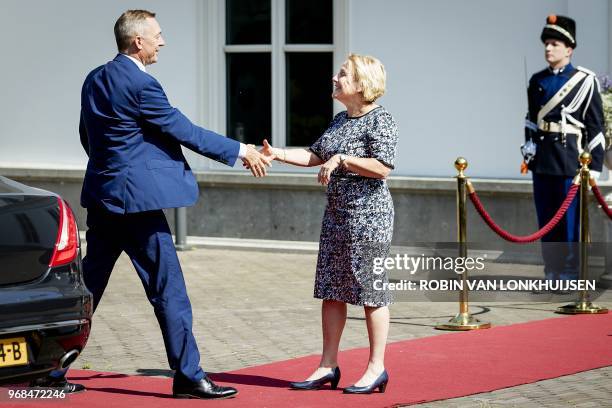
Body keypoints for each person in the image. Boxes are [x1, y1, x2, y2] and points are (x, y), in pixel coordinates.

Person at [31, 9, 271, 399]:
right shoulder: (143, 86)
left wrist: (115, 169)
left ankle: (48, 370)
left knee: (86, 287)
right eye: (157, 35)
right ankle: (189, 376)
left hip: (104, 198)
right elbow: (184, 130)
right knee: (169, 290)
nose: (163, 41)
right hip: (138, 206)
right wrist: (242, 150)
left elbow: (86, 135)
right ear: (137, 41)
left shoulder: (95, 78)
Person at [259, 54, 398, 394]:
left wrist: (344, 159)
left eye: (343, 74)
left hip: (370, 217)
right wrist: (276, 153)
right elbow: (315, 155)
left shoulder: (382, 120)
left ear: (362, 84)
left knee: (371, 292)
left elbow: (383, 167)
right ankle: (327, 366)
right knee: (331, 290)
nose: (334, 78)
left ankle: (376, 368)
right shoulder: (340, 119)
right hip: (337, 216)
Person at [522, 15, 604, 285]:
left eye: (554, 43)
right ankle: (552, 273)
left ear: (569, 48)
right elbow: (531, 120)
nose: (548, 48)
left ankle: (570, 274)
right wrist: (528, 152)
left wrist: (592, 168)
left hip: (571, 161)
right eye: (546, 43)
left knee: (570, 224)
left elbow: (595, 127)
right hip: (543, 160)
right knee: (547, 221)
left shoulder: (585, 81)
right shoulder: (537, 80)